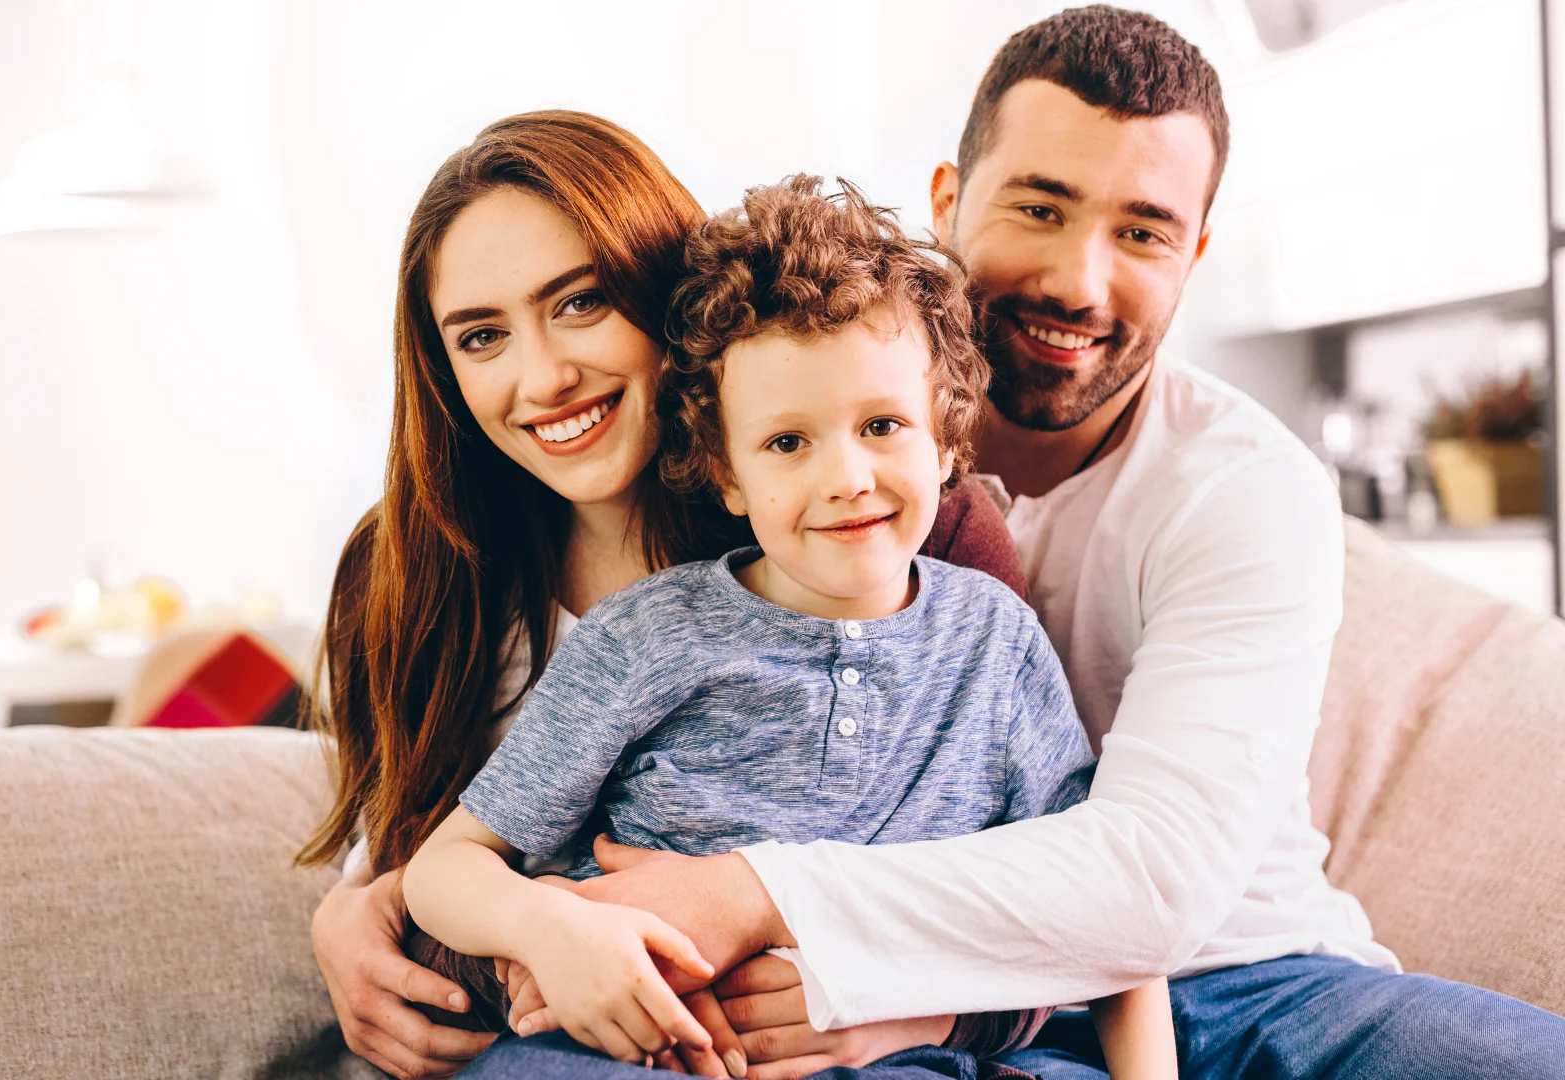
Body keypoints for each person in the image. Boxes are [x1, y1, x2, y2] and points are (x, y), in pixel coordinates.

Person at [463, 8, 1565, 1080]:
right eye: (1040, 208)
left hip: (1248, 976)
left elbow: (1153, 884)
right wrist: (421, 911)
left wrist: (770, 903)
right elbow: (522, 815)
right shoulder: (795, 454)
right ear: (948, 199)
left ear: (1195, 253)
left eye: (1144, 232)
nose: (1079, 281)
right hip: (984, 1016)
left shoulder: (1245, 487)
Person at [302, 110, 1026, 1080]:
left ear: (666, 293)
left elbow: (1046, 869)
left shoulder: (899, 532)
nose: (544, 378)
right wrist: (359, 905)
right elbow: (426, 850)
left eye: (581, 302)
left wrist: (923, 1004)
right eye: (481, 337)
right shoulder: (410, 569)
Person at [403, 176, 1175, 1080]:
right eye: (786, 443)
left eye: (882, 424)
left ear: (947, 440)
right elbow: (444, 869)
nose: (846, 478)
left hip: (910, 1055)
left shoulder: (995, 643)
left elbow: (1103, 914)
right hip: (652, 1053)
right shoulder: (644, 637)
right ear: (726, 476)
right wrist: (555, 931)